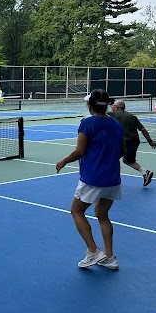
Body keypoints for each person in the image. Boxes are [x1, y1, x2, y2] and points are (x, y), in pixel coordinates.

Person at [55, 90, 125, 270]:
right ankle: (109, 256)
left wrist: (63, 160)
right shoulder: (117, 125)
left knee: (76, 210)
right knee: (102, 214)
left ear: (90, 105)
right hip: (112, 178)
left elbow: (80, 151)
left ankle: (93, 251)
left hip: (92, 178)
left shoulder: (87, 123)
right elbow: (122, 151)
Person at [110, 100, 156, 186]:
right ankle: (145, 173)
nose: (111, 107)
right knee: (128, 160)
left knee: (111, 159)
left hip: (123, 142)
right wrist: (150, 141)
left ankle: (113, 178)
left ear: (118, 107)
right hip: (134, 141)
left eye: (113, 106)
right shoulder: (132, 117)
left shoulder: (112, 114)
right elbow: (143, 130)